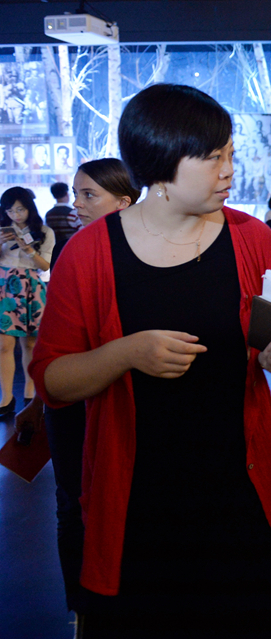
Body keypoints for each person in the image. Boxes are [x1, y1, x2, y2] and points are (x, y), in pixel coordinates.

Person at [29, 83, 271, 638]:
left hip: (240, 492)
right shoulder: (89, 252)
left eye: (230, 154)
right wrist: (125, 352)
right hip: (137, 501)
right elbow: (54, 379)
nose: (229, 170)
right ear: (160, 163)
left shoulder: (251, 239)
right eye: (213, 158)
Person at [15, 158, 141, 615]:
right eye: (77, 193)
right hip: (69, 401)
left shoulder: (139, 256)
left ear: (123, 202)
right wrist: (37, 402)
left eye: (90, 195)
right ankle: (82, 606)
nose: (77, 204)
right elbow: (56, 338)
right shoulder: (73, 249)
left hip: (116, 399)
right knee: (71, 501)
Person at [0, 187, 54, 416]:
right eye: (10, 210)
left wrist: (29, 250)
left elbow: (45, 266)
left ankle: (30, 392)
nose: (15, 215)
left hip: (32, 286)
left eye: (20, 209)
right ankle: (6, 397)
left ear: (29, 208)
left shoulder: (44, 231)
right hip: (5, 286)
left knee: (30, 344)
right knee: (3, 345)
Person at [45, 182, 81, 269]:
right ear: (67, 194)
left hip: (55, 252)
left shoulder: (48, 214)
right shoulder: (73, 213)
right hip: (71, 251)